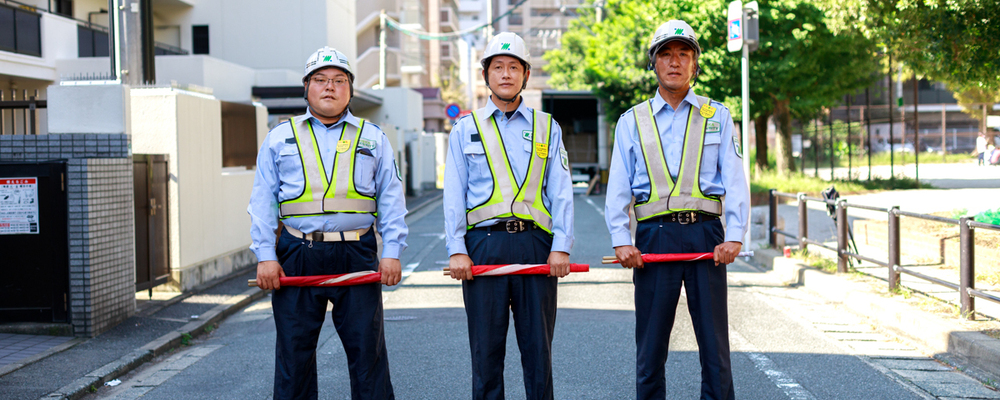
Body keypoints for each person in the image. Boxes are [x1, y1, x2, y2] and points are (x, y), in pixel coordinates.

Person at [248, 46, 407, 400]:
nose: (329, 87)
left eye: (339, 80)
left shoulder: (373, 137)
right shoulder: (279, 137)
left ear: (350, 89)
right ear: (307, 87)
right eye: (320, 80)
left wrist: (392, 251)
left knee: (368, 354)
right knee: (294, 355)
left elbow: (392, 199)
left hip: (358, 251)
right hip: (296, 251)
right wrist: (265, 255)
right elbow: (261, 202)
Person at [603, 20, 749, 400]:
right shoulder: (631, 121)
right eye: (665, 54)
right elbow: (618, 187)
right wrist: (621, 240)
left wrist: (734, 235)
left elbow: (735, 180)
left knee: (715, 348)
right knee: (650, 349)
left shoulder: (717, 115)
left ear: (695, 64)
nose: (674, 62)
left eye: (684, 54)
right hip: (654, 240)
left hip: (706, 238)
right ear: (653, 64)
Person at [444, 31, 574, 400]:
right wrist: (457, 249)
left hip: (536, 245)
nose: (505, 74)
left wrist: (561, 246)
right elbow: (454, 195)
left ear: (525, 75)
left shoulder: (548, 127)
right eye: (497, 67)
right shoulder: (464, 129)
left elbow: (560, 192)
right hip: (483, 245)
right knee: (486, 354)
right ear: (486, 75)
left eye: (513, 67)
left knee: (538, 353)